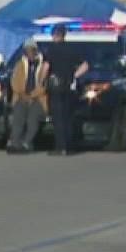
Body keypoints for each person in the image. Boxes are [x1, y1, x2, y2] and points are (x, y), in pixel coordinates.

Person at [44, 24, 91, 156]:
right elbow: (86, 65)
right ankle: (69, 147)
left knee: (58, 118)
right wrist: (74, 75)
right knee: (68, 117)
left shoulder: (52, 49)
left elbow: (46, 67)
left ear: (54, 35)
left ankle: (61, 147)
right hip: (69, 87)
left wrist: (41, 81)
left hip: (56, 87)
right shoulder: (72, 49)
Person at [5, 37, 49, 154]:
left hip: (38, 98)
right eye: (27, 50)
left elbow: (44, 85)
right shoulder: (20, 64)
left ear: (36, 50)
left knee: (33, 116)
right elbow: (15, 82)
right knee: (18, 114)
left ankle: (27, 142)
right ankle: (15, 142)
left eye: (32, 50)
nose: (29, 52)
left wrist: (32, 95)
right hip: (21, 96)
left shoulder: (44, 65)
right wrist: (23, 94)